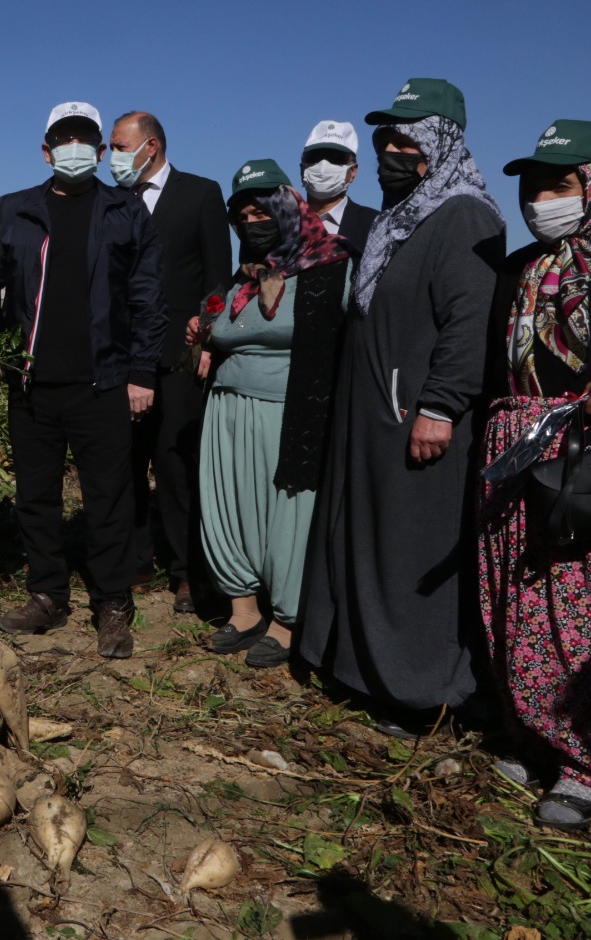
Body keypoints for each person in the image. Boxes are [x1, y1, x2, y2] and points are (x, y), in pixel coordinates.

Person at [298, 78, 505, 736]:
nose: (391, 148)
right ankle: (364, 672)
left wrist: (439, 405)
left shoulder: (465, 215)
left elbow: (469, 320)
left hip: (415, 418)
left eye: (406, 137)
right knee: (371, 541)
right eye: (385, 137)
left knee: (414, 552)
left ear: (440, 143)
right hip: (370, 418)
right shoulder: (401, 217)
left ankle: (425, 694)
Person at [477, 120, 591, 830]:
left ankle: (586, 763)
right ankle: (528, 733)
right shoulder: (519, 267)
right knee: (513, 596)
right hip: (514, 444)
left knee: (584, 605)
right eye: (531, 184)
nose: (540, 196)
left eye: (559, 183)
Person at [0, 101, 165, 659]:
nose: (73, 148)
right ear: (46, 150)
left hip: (102, 379)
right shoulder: (15, 210)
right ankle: (48, 594)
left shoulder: (125, 211)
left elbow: (147, 295)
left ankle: (112, 602)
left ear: (100, 152)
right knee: (37, 496)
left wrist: (142, 370)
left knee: (108, 497)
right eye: (62, 139)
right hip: (33, 380)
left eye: (85, 140)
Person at [194, 161, 353, 668]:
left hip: (289, 412)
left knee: (288, 514)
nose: (251, 221)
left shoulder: (329, 268)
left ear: (287, 209)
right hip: (226, 408)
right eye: (241, 214)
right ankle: (243, 609)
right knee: (228, 506)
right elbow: (217, 329)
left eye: (261, 210)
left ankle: (286, 619)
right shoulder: (241, 281)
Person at [109, 111, 229, 615]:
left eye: (119, 145)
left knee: (178, 464)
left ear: (150, 146)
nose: (112, 156)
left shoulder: (200, 194)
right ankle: (138, 558)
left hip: (179, 357)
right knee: (127, 460)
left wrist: (206, 336)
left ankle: (186, 570)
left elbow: (217, 279)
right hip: (122, 354)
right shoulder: (111, 202)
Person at [297, 120, 377, 253]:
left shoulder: (375, 224)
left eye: (335, 158)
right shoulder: (283, 225)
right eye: (314, 157)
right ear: (302, 168)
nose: (323, 165)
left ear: (353, 171)